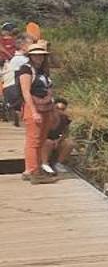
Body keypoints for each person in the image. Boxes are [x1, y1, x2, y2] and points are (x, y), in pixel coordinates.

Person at [15, 41, 55, 184]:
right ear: (30, 56)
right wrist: (33, 112)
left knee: (41, 140)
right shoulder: (26, 70)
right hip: (34, 108)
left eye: (41, 55)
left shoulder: (42, 71)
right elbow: (26, 92)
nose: (39, 57)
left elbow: (49, 89)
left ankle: (31, 170)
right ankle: (34, 172)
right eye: (36, 55)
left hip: (46, 108)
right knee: (34, 141)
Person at [40, 95, 71, 174]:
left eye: (62, 109)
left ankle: (59, 163)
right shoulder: (46, 117)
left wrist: (59, 140)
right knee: (48, 142)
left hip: (57, 140)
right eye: (58, 108)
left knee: (70, 143)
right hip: (44, 142)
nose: (60, 111)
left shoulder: (65, 119)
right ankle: (44, 163)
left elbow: (65, 132)